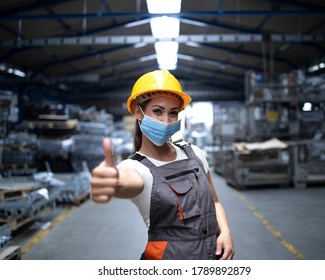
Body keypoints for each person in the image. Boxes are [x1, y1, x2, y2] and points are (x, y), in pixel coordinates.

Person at [90, 69, 234, 260]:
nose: (166, 121)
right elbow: (126, 181)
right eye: (157, 111)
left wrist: (225, 232)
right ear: (138, 112)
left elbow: (214, 202)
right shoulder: (136, 168)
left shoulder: (194, 153)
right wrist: (112, 181)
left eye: (173, 113)